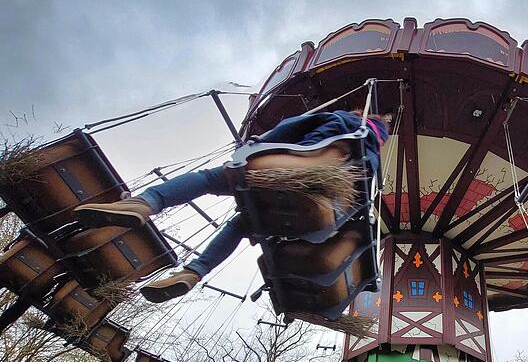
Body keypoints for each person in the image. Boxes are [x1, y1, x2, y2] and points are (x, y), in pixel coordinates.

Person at [74, 110, 389, 303]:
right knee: (245, 223)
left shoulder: (343, 120)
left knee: (213, 178)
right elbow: (354, 208)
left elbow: (288, 129)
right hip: (318, 209)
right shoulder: (370, 164)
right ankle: (193, 273)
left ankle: (146, 203)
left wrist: (253, 145)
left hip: (289, 168)